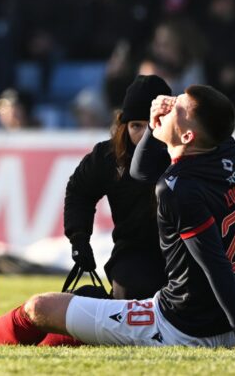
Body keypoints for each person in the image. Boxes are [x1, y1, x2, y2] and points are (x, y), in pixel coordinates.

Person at [0, 85, 235, 348]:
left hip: (182, 325)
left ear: (190, 134)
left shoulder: (178, 188)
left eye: (177, 107)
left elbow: (215, 266)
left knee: (40, 307)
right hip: (218, 319)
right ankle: (14, 337)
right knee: (68, 322)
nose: (166, 105)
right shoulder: (226, 148)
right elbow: (143, 171)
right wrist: (156, 120)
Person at [64, 75, 170, 300]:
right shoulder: (108, 156)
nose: (144, 134)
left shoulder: (188, 153)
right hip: (134, 252)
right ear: (124, 125)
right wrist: (79, 237)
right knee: (131, 295)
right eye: (136, 126)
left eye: (153, 124)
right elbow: (79, 191)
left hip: (185, 250)